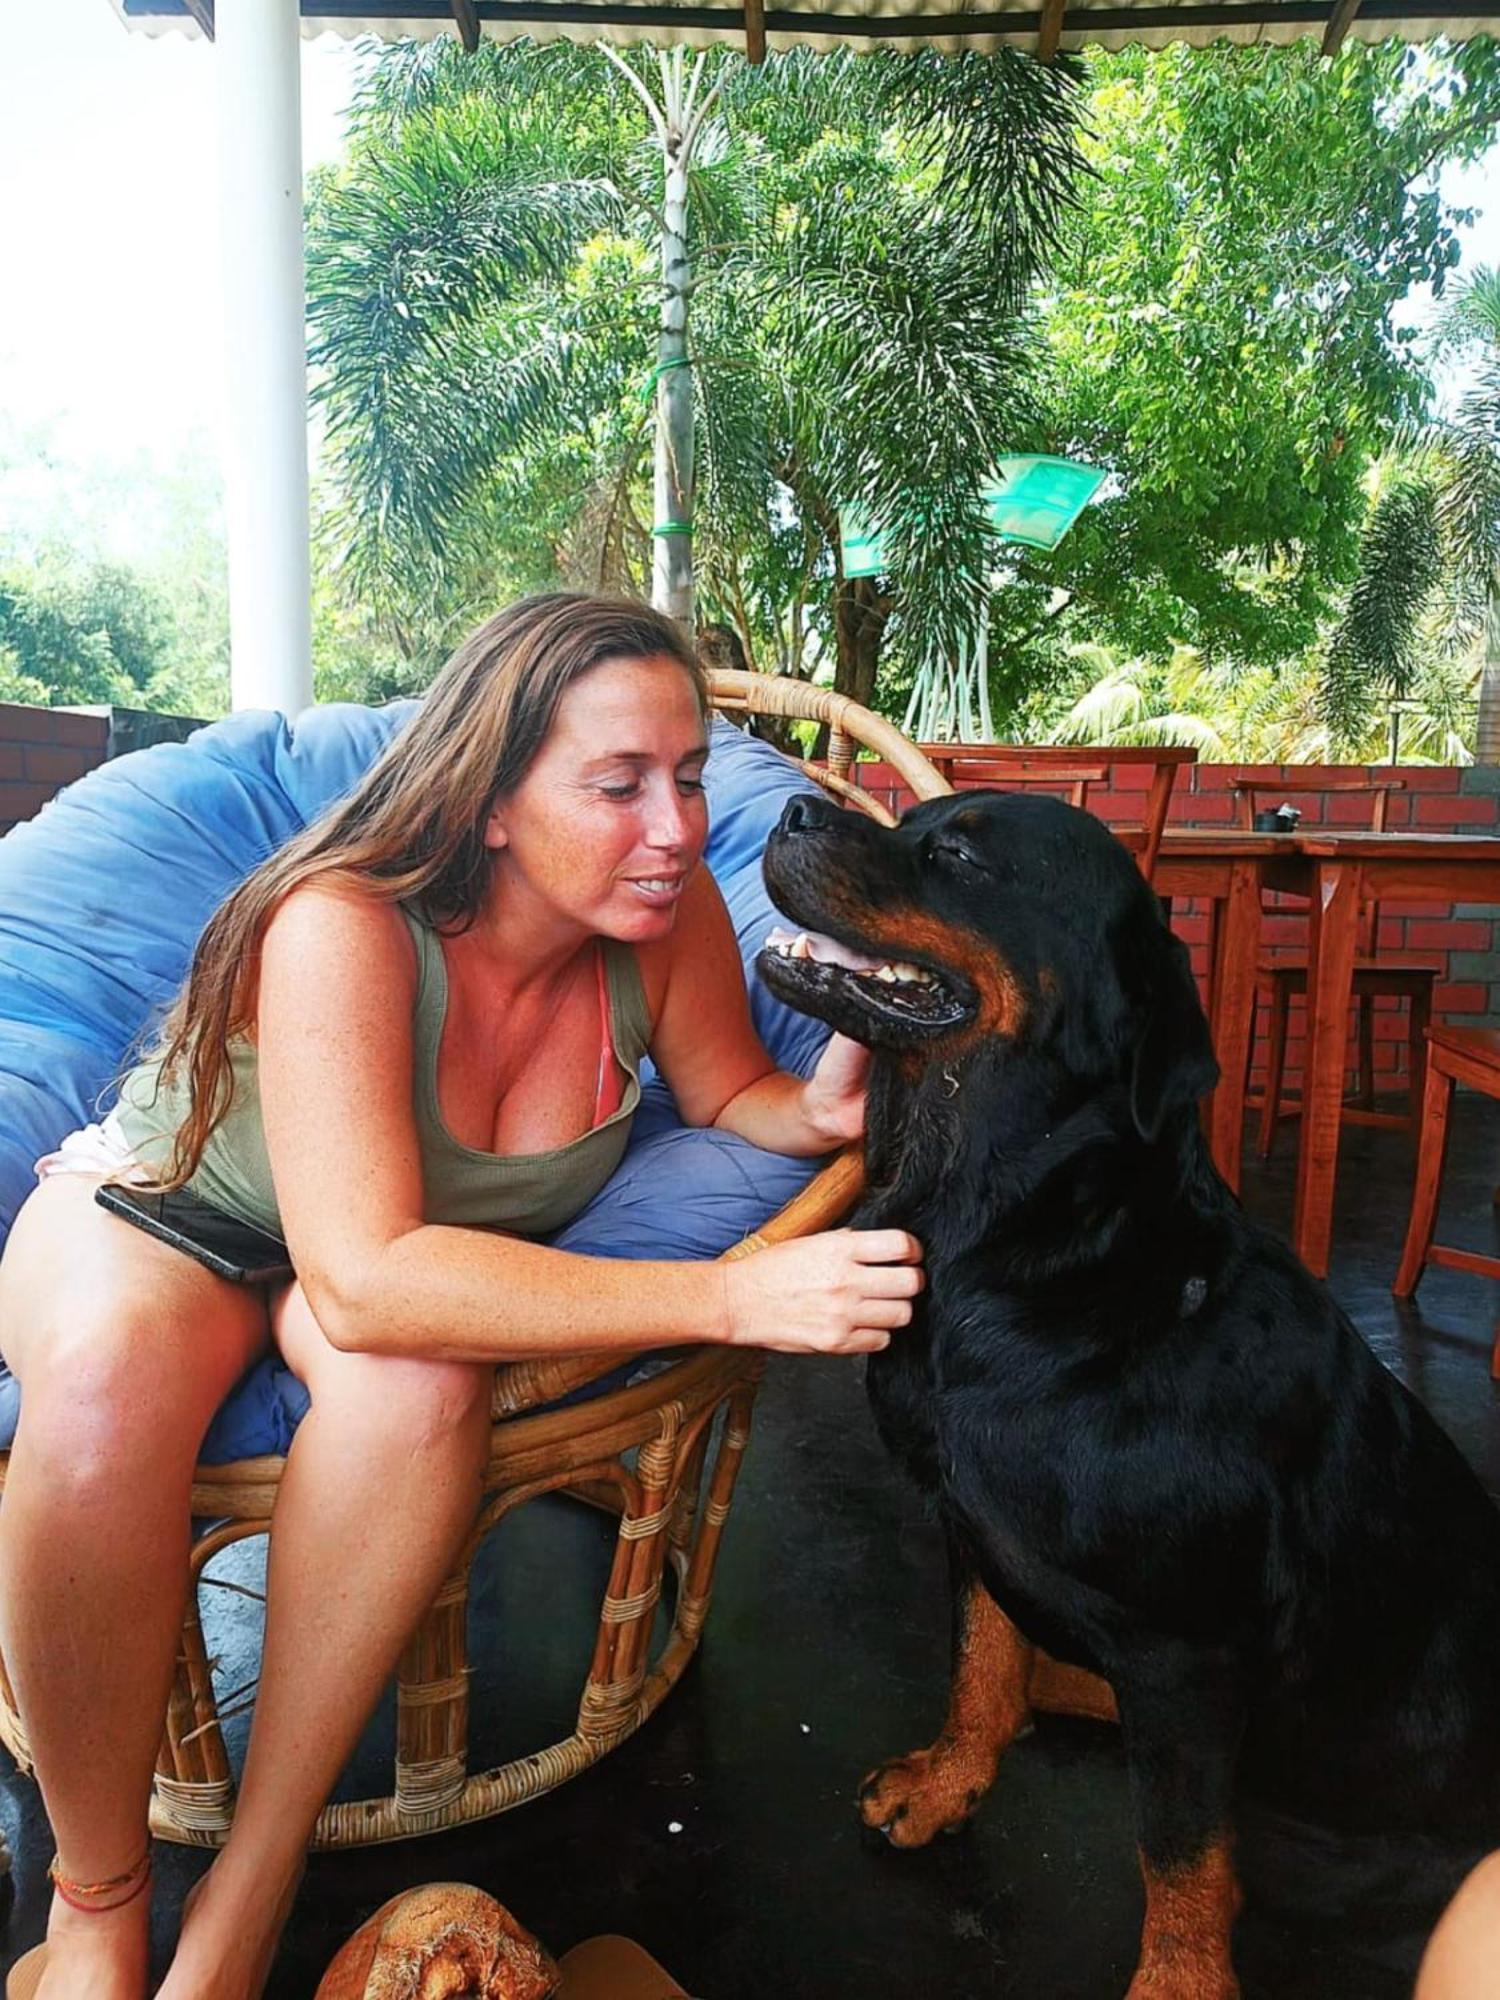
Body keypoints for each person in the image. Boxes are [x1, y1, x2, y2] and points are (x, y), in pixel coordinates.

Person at [0, 593, 924, 2000]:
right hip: (181, 1211)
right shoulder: (346, 923)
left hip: (379, 1246)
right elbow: (365, 1280)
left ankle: (249, 1893)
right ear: (492, 800)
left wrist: (829, 1095)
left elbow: (736, 1092)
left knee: (426, 1386)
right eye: (618, 785)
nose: (677, 828)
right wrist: (730, 1299)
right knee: (97, 1405)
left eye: (687, 776)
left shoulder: (655, 924)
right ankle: (99, 1900)